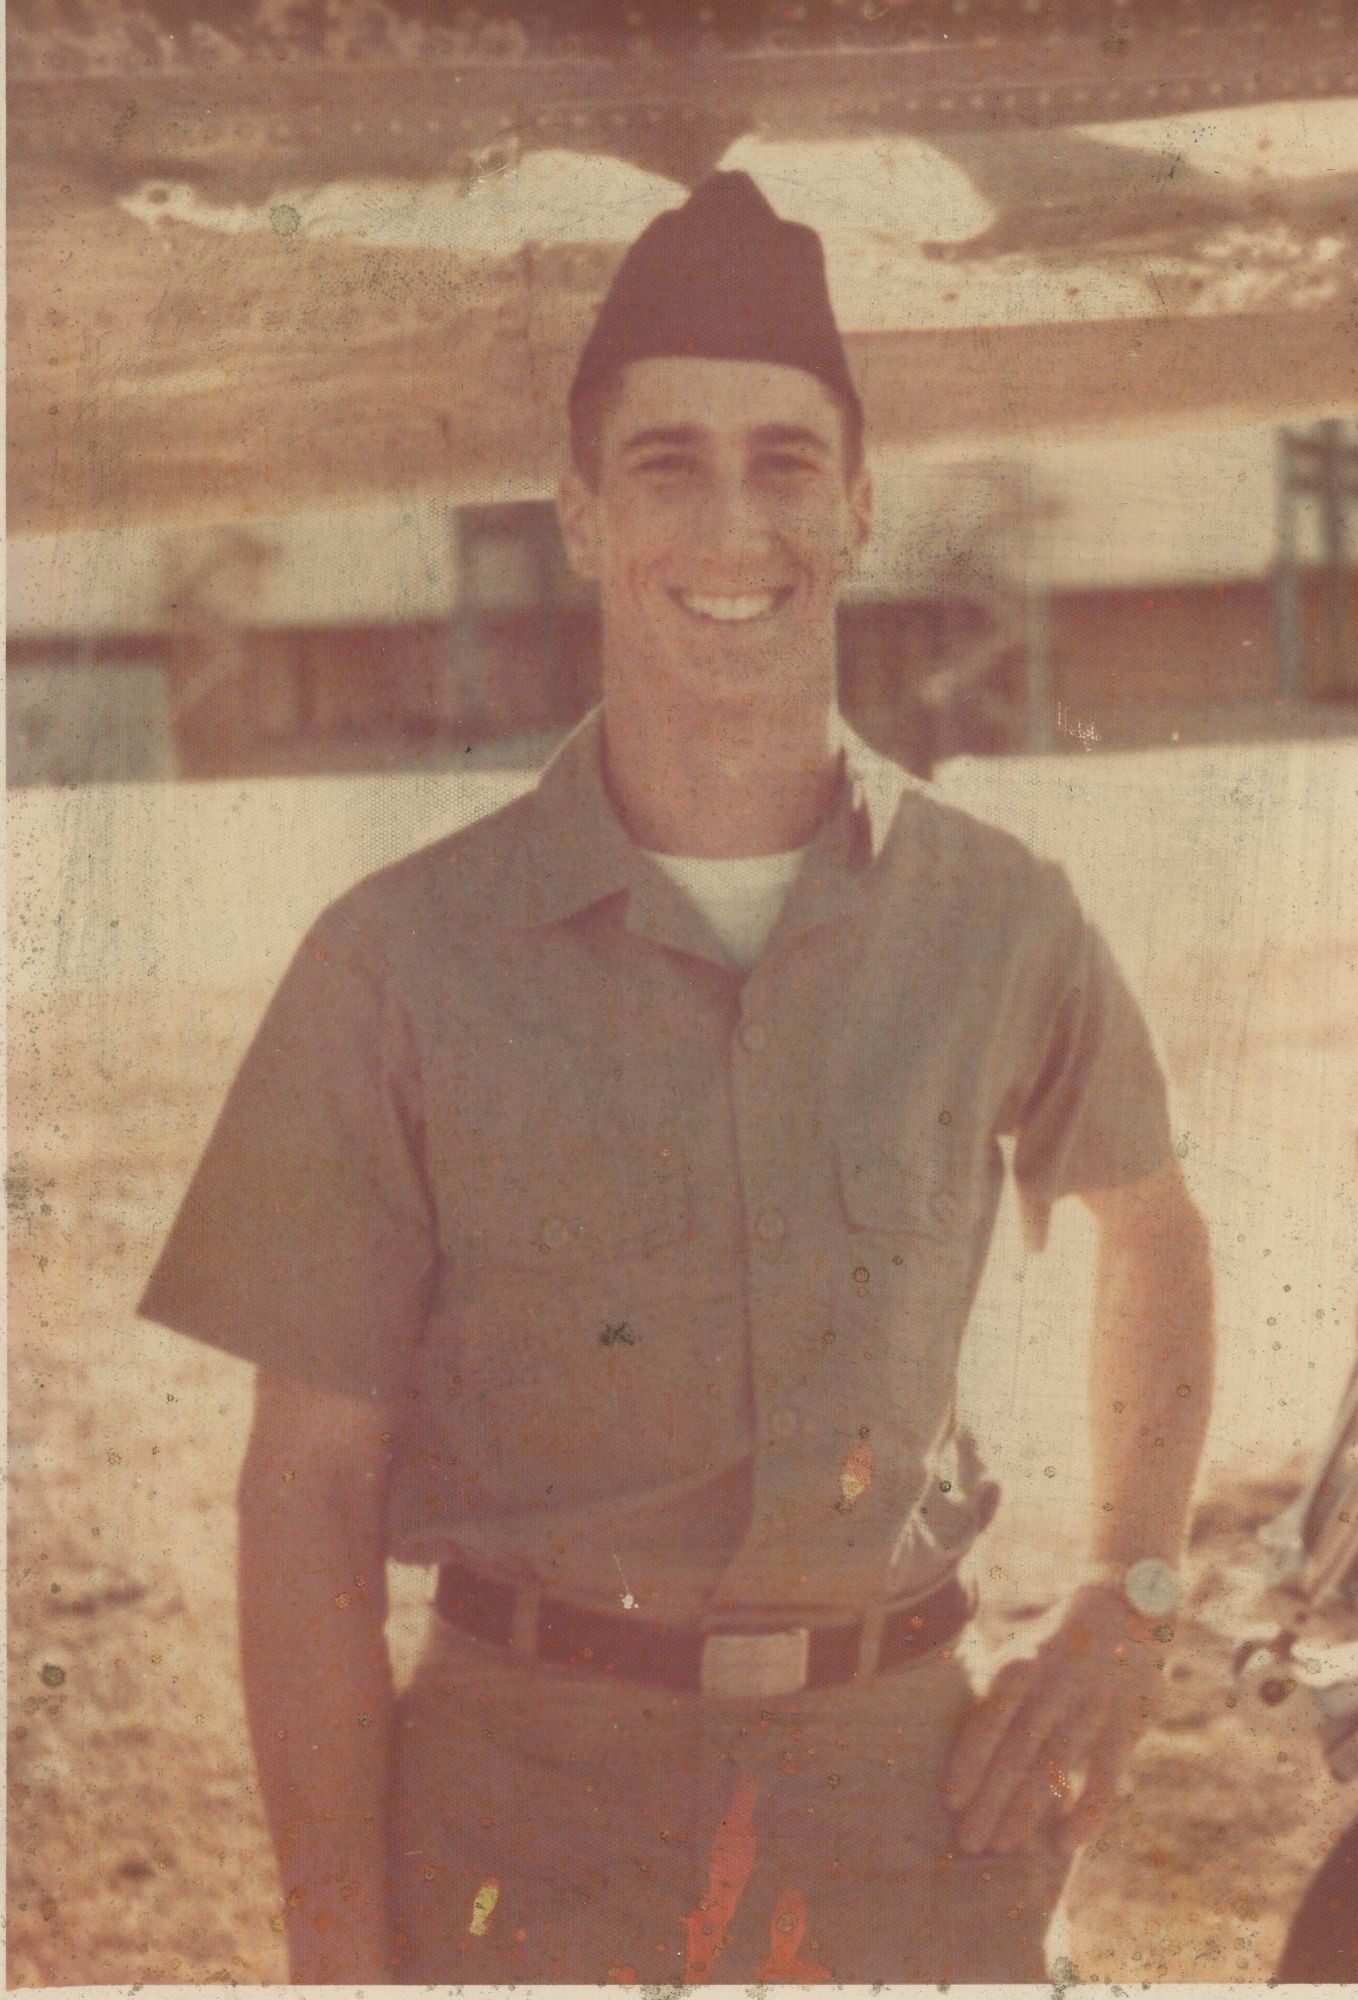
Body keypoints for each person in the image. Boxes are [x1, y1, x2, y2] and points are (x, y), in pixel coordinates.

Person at [140, 171, 1214, 1984]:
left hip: (909, 1826)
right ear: (576, 513)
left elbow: (1158, 1230)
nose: (735, 521)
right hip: (527, 1833)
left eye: (786, 463)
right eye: (666, 464)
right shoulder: (395, 959)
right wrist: (340, 1948)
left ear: (858, 506)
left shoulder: (1001, 915)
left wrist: (1133, 1596)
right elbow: (304, 1492)